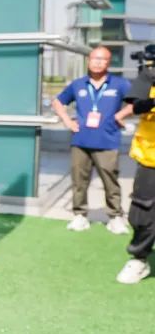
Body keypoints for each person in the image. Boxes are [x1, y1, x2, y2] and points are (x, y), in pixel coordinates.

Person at [51, 46, 131, 234]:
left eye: (102, 59)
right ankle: (80, 215)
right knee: (79, 181)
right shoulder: (78, 84)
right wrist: (67, 120)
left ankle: (115, 217)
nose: (97, 62)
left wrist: (121, 115)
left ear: (108, 63)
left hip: (107, 141)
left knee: (110, 181)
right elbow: (57, 102)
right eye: (94, 58)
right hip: (80, 141)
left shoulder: (120, 84)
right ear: (88, 61)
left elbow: (137, 102)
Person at [116, 43, 155, 283]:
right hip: (151, 157)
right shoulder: (149, 75)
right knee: (143, 211)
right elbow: (137, 103)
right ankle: (139, 258)